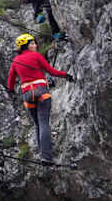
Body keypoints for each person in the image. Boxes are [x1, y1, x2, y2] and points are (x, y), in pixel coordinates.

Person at [7, 33, 74, 163]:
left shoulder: (15, 61)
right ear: (26, 46)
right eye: (32, 43)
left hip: (27, 95)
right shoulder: (36, 56)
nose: (35, 45)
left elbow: (10, 82)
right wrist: (66, 75)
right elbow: (51, 71)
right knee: (44, 124)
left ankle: (42, 154)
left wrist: (10, 91)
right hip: (41, 91)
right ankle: (46, 156)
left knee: (38, 125)